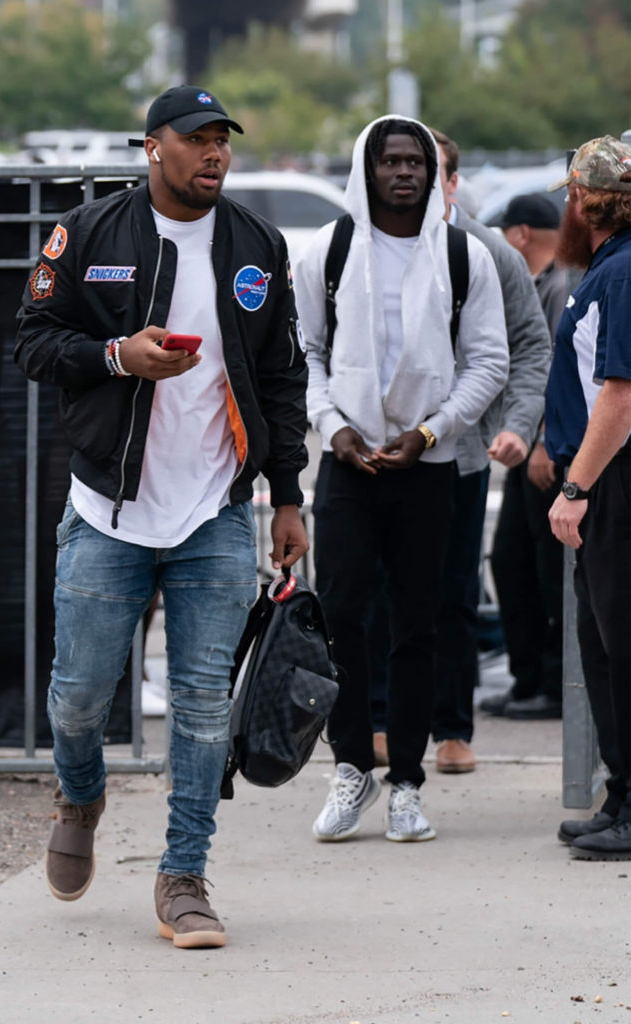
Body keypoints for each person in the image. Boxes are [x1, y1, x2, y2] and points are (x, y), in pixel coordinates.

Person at [14, 85, 310, 946]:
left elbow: (284, 377)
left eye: (223, 140)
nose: (214, 153)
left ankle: (184, 877)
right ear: (153, 148)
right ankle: (81, 791)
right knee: (78, 698)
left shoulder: (257, 243)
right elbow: (32, 339)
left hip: (215, 511)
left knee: (202, 707)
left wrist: (285, 494)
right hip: (107, 507)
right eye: (196, 139)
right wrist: (118, 357)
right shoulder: (88, 233)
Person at [293, 115, 508, 843]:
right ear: (367, 168)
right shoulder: (331, 249)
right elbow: (306, 355)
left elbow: (489, 361)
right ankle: (352, 766)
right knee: (342, 616)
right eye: (389, 160)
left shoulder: (461, 254)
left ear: (431, 170)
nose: (404, 172)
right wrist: (335, 428)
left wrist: (430, 432)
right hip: (348, 467)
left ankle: (408, 782)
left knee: (418, 625)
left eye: (415, 160)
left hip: (429, 468)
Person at [427, 131, 552, 772]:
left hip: (462, 454)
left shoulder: (488, 250)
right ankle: (383, 724)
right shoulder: (355, 247)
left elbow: (532, 346)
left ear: (451, 181)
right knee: (373, 592)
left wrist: (518, 425)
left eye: (426, 170)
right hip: (372, 453)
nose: (409, 181)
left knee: (454, 591)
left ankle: (452, 726)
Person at [544, 136, 631, 861]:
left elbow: (621, 397)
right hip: (605, 477)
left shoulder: (624, 271)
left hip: (614, 480)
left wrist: (577, 486)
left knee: (620, 643)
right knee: (601, 645)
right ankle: (622, 793)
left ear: (584, 200)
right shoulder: (608, 268)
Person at [486, 194, 576, 721]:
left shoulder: (561, 284)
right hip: (532, 444)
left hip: (551, 447)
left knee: (546, 571)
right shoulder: (540, 283)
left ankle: (553, 683)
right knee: (511, 563)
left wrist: (542, 439)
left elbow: (557, 369)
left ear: (520, 234)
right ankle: (527, 679)